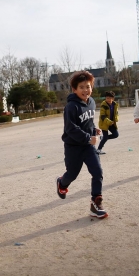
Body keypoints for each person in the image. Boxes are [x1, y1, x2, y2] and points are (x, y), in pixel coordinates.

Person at [56, 70, 108, 219]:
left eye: (88, 86)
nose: (86, 90)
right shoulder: (71, 107)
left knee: (97, 172)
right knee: (72, 174)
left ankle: (96, 203)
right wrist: (87, 137)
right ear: (75, 89)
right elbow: (70, 128)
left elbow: (87, 122)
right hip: (73, 147)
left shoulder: (91, 102)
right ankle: (61, 184)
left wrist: (93, 130)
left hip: (88, 146)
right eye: (82, 87)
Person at [96, 90, 119, 155]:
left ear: (113, 98)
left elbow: (116, 113)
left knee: (116, 135)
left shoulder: (115, 104)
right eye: (106, 98)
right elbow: (102, 116)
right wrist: (108, 122)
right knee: (105, 137)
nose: (108, 99)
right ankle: (98, 150)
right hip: (104, 123)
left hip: (111, 123)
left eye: (109, 98)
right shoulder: (104, 105)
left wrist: (116, 119)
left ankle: (102, 138)